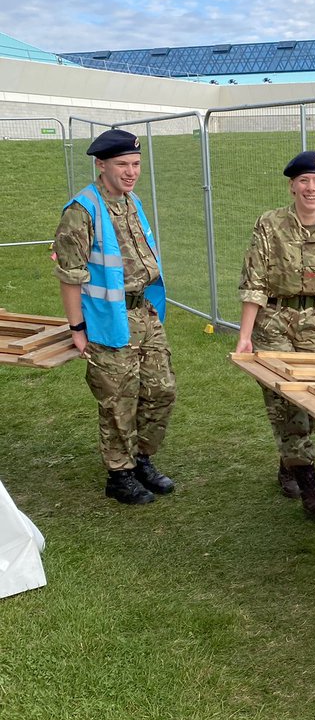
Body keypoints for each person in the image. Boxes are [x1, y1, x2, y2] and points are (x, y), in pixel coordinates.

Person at [53, 129, 176, 505]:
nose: (131, 171)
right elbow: (70, 276)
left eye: (136, 164)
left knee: (160, 391)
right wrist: (77, 328)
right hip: (108, 318)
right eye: (122, 164)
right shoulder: (81, 210)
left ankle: (141, 459)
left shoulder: (131, 201)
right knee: (117, 399)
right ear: (100, 164)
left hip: (144, 313)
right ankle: (119, 475)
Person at [236, 150, 315, 516]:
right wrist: (245, 336)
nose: (311, 188)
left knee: (309, 401)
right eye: (304, 180)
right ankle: (311, 491)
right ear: (292, 186)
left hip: (313, 325)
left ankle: (288, 463)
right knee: (286, 403)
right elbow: (254, 281)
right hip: (273, 321)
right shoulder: (269, 225)